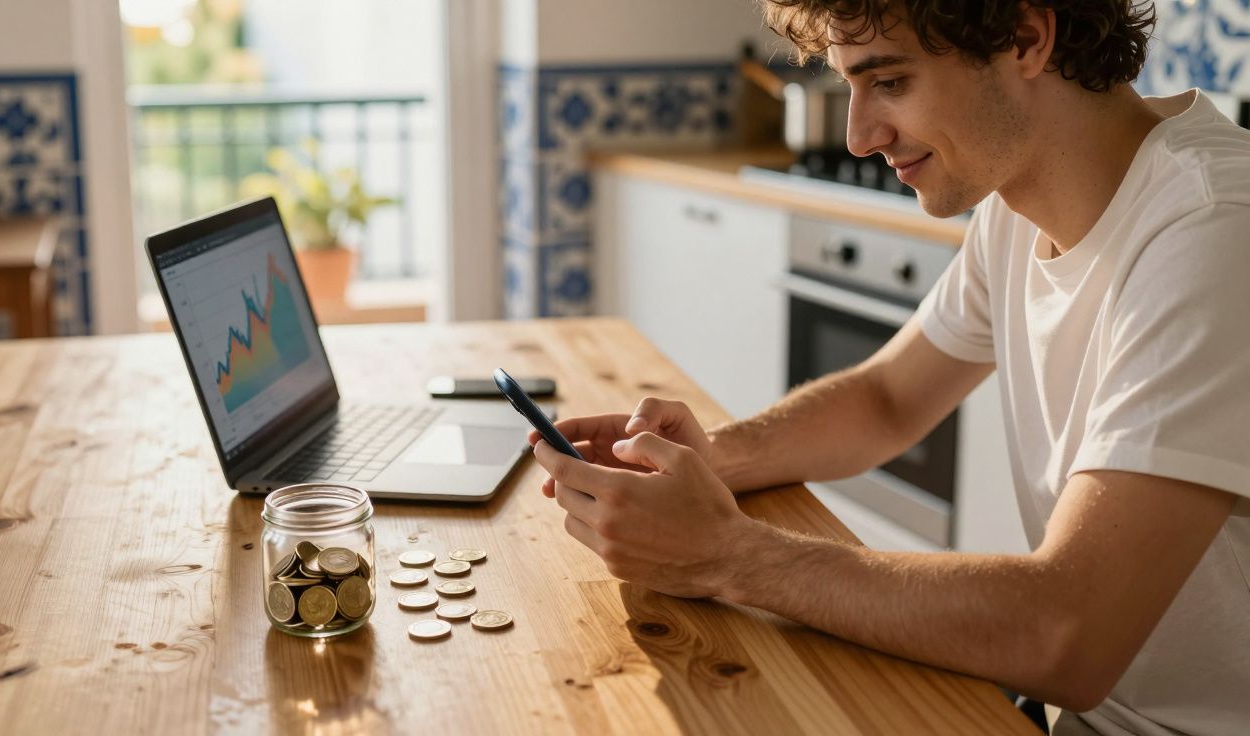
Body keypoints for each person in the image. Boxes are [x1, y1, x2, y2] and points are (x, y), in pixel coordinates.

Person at [528, 2, 1250, 734]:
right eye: (851, 86)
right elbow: (885, 399)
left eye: (892, 82)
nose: (859, 135)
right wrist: (712, 458)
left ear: (1028, 39)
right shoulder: (1017, 201)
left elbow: (1066, 630)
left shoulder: (1215, 228)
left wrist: (727, 555)